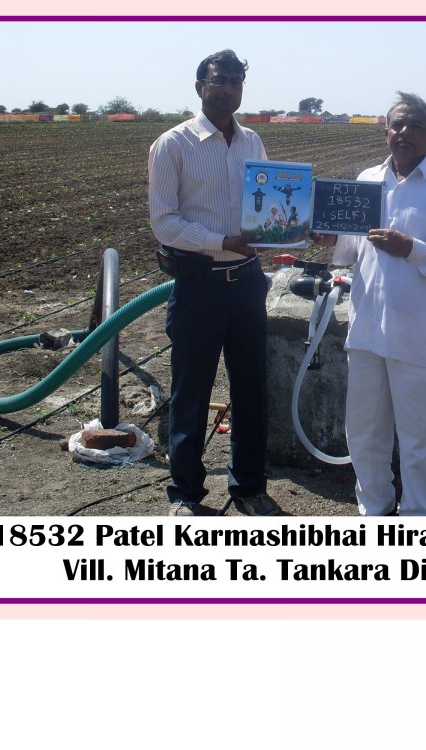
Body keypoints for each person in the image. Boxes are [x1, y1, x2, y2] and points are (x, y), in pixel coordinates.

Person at [313, 92, 426, 516]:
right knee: (364, 431)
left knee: (419, 437)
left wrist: (413, 249)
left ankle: (422, 516)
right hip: (367, 330)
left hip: (417, 335)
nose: (405, 132)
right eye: (397, 125)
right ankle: (375, 507)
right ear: (386, 132)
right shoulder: (367, 180)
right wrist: (332, 238)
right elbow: (350, 250)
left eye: (415, 126)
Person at [148, 49, 279, 517]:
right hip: (199, 285)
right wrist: (221, 242)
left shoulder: (252, 143)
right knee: (191, 392)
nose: (227, 88)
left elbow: (266, 206)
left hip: (247, 284)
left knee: (251, 389)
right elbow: (164, 222)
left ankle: (249, 487)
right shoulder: (173, 144)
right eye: (219, 79)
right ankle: (185, 494)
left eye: (235, 81)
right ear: (200, 86)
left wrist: (284, 233)